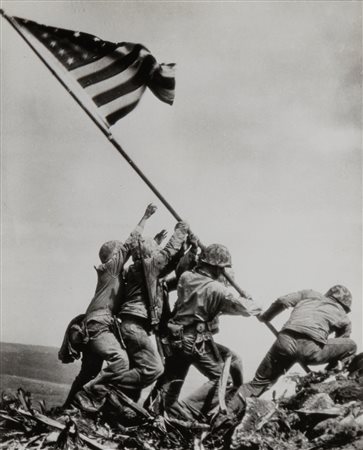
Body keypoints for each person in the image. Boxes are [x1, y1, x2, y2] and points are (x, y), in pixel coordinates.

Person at [66, 204, 157, 412]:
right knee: (120, 360)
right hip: (99, 325)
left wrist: (153, 245)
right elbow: (129, 243)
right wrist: (145, 217)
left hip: (94, 325)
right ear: (113, 256)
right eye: (120, 254)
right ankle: (90, 398)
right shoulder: (111, 268)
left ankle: (68, 408)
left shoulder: (114, 276)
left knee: (89, 372)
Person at [159, 243, 262, 419]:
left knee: (170, 388)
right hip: (195, 340)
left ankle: (168, 415)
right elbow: (246, 310)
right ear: (216, 267)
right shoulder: (217, 289)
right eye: (221, 268)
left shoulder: (186, 277)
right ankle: (190, 410)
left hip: (176, 337)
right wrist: (249, 300)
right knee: (222, 379)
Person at [113, 219, 190, 402]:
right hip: (135, 327)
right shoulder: (148, 266)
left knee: (138, 371)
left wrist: (186, 249)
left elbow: (170, 263)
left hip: (133, 326)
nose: (158, 253)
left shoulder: (140, 270)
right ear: (149, 254)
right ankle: (105, 386)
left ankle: (119, 406)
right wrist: (181, 230)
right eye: (155, 250)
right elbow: (168, 254)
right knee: (154, 368)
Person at [241, 285, 357, 398]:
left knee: (256, 385)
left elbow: (283, 301)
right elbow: (340, 343)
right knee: (351, 346)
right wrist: (326, 372)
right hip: (310, 350)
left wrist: (265, 317)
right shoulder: (344, 317)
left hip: (284, 342)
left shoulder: (309, 294)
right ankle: (327, 378)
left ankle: (228, 410)